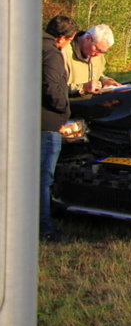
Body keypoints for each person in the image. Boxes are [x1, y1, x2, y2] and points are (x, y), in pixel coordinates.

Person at [41, 15, 77, 240]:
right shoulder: (51, 53)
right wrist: (64, 110)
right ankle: (45, 229)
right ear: (62, 38)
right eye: (70, 41)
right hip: (47, 123)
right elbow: (52, 88)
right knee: (43, 178)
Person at [63, 23, 121, 96]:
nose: (98, 54)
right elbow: (53, 87)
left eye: (103, 52)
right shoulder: (63, 52)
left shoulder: (98, 56)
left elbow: (98, 75)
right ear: (87, 38)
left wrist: (106, 81)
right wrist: (83, 88)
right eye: (97, 49)